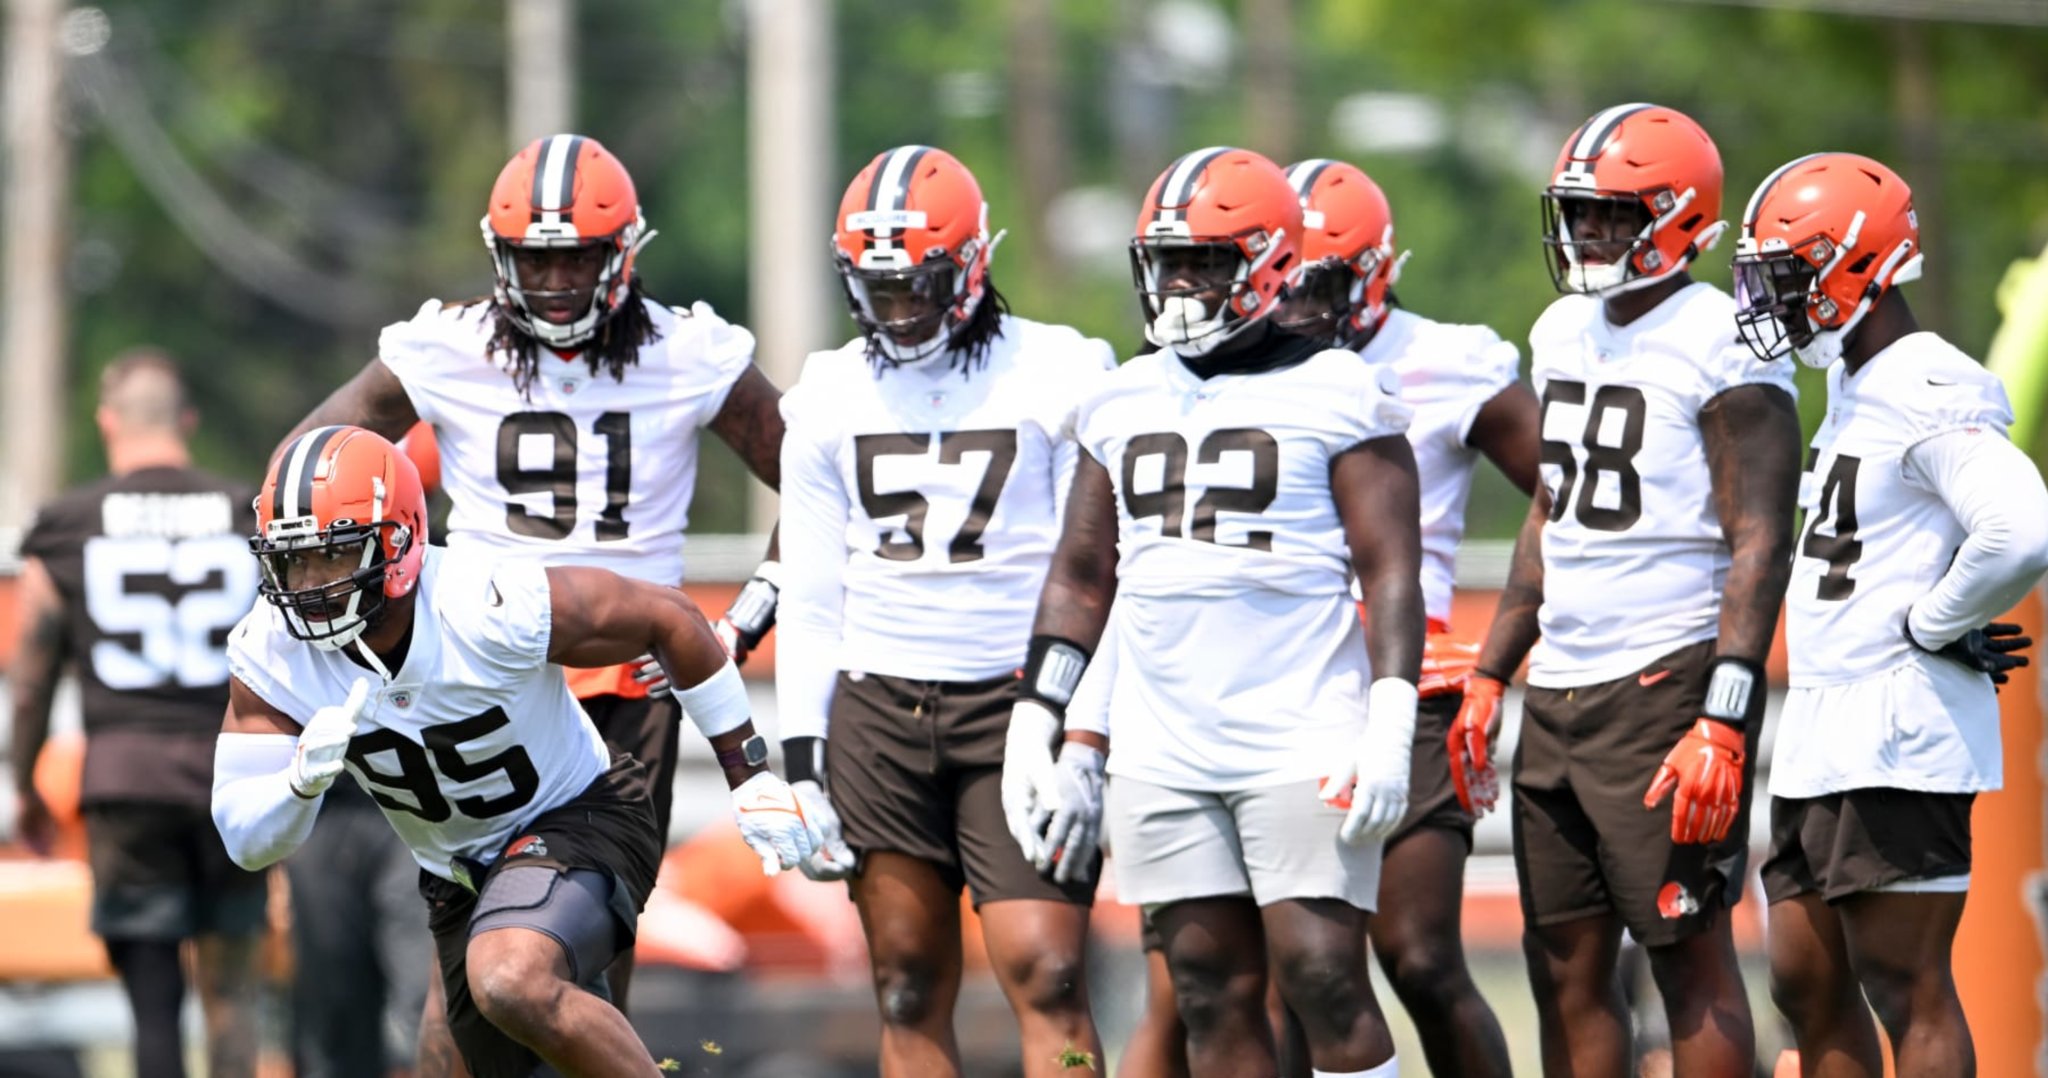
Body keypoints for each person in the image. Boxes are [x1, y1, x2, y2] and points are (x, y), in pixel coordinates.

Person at [280, 133, 786, 1013]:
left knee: (598, 933)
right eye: (534, 260)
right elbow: (309, 462)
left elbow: (818, 486)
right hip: (485, 669)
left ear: (622, 250)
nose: (553, 282)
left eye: (576, 258)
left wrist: (745, 617)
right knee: (467, 941)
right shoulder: (448, 347)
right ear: (499, 253)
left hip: (630, 672)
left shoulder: (690, 351)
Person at [213, 425, 815, 1078]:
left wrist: (748, 774)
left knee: (511, 976)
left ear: (399, 543)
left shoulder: (487, 603)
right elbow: (245, 839)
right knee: (455, 1059)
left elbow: (669, 617)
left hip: (579, 812)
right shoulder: (270, 652)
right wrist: (298, 784)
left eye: (332, 557)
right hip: (458, 873)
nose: (309, 583)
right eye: (293, 560)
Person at [1116, 157, 1535, 1078]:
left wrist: (1501, 649)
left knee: (1413, 958)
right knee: (1237, 980)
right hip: (1256, 687)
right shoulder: (1201, 370)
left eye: (1327, 280)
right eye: (1294, 277)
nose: (1305, 300)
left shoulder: (1443, 360)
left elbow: (1568, 499)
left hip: (1405, 683)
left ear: (1377, 270)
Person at [1010, 145, 1424, 1078]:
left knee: (1322, 975)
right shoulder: (1119, 396)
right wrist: (1047, 719)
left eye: (1206, 260)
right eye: (1169, 261)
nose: (1182, 283)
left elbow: (1390, 568)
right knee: (1204, 986)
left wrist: (1390, 721)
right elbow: (1084, 576)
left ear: (1272, 261)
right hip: (1163, 741)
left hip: (1300, 728)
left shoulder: (1339, 388)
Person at [1447, 103, 1803, 1076]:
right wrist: (1491, 673)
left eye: (1611, 214)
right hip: (1557, 688)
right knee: (1559, 961)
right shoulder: (1559, 327)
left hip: (1663, 683)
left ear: (1678, 215)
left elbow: (1759, 540)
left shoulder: (1725, 336)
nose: (1587, 235)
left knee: (1687, 957)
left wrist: (1724, 718)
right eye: (1578, 213)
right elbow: (1548, 514)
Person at [773, 144, 1114, 1077]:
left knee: (1048, 972)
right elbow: (809, 592)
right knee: (907, 984)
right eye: (877, 286)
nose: (899, 308)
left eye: (919, 282)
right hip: (878, 708)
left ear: (973, 262)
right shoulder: (829, 392)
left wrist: (1082, 731)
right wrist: (800, 756)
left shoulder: (1063, 371)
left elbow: (1101, 574)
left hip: (1018, 696)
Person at [1733, 152, 2048, 1078]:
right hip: (1825, 721)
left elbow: (2022, 530)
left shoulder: (1926, 381)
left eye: (1791, 278)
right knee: (1804, 981)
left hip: (1899, 724)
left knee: (1903, 980)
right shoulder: (1855, 384)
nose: (1776, 303)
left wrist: (1935, 621)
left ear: (1855, 269)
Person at [9, 351, 265, 1078]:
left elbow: (30, 678)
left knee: (153, 1006)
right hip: (230, 779)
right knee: (233, 997)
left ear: (106, 422)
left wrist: (24, 784)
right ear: (187, 420)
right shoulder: (246, 512)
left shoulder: (66, 525)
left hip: (126, 780)